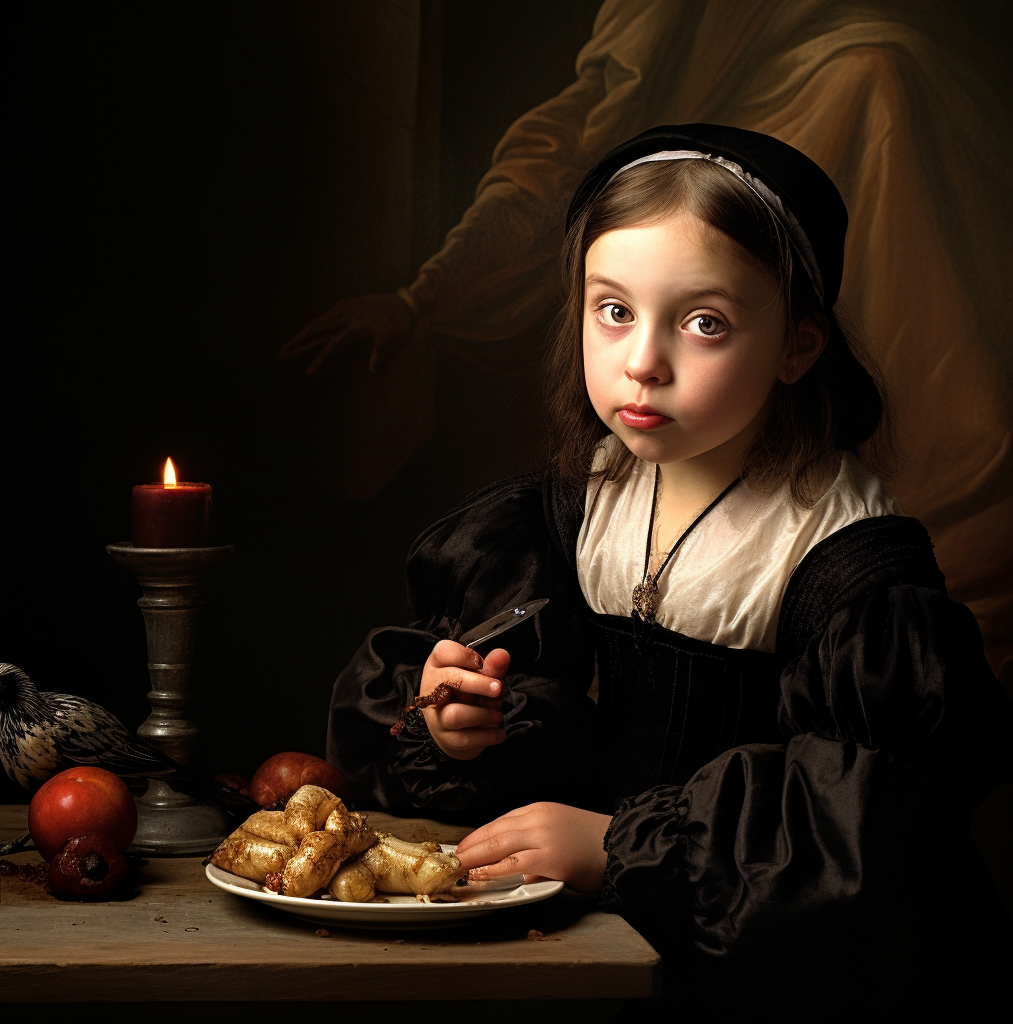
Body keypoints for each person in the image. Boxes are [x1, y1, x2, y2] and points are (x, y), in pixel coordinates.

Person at [326, 125, 1011, 1016]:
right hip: (603, 930)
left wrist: (621, 846)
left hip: (778, 965)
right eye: (613, 309)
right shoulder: (579, 502)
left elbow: (860, 836)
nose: (642, 361)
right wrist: (464, 721)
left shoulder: (846, 562)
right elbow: (551, 719)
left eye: (703, 323)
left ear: (798, 346)